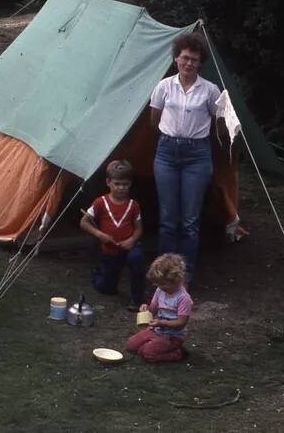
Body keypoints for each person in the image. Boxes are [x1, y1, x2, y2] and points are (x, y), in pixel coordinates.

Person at [149, 32, 221, 285]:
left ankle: (184, 276)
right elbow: (154, 118)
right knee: (168, 219)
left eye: (194, 59)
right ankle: (163, 274)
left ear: (200, 63)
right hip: (167, 152)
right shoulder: (164, 86)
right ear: (176, 59)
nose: (189, 63)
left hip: (197, 156)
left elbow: (218, 121)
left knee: (190, 220)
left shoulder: (210, 90)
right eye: (185, 58)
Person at [79, 159, 146, 311]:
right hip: (110, 250)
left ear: (130, 184)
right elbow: (84, 222)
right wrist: (99, 234)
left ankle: (137, 300)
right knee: (108, 289)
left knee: (137, 258)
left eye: (125, 184)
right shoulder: (100, 202)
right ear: (108, 182)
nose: (121, 188)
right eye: (117, 184)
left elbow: (139, 229)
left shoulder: (133, 205)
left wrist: (132, 240)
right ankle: (98, 275)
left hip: (128, 248)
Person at [126, 253, 193, 363]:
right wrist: (146, 308)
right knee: (131, 345)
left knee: (147, 353)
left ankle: (178, 353)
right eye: (158, 284)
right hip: (156, 329)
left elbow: (181, 322)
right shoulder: (160, 290)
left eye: (163, 284)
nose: (159, 287)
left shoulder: (184, 299)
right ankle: (154, 342)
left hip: (172, 336)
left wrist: (161, 323)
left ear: (177, 280)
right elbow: (153, 309)